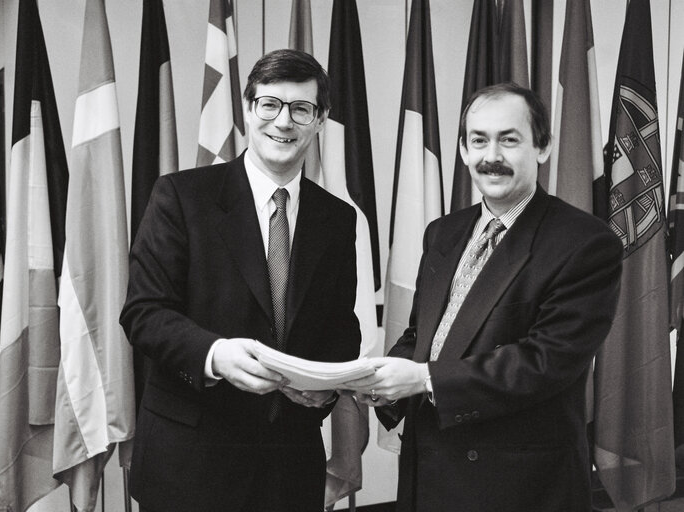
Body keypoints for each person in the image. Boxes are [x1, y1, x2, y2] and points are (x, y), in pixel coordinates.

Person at [345, 83, 623, 512]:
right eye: (479, 140)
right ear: (462, 150)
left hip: (516, 485)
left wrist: (421, 379)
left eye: (509, 139)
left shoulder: (585, 243)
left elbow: (546, 362)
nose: (491, 156)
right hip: (428, 470)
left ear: (543, 147)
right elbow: (425, 334)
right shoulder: (443, 232)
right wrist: (383, 385)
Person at [120, 49, 361, 512]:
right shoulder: (181, 197)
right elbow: (144, 313)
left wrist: (326, 385)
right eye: (270, 104)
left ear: (320, 120)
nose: (283, 122)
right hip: (189, 462)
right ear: (249, 109)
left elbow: (340, 324)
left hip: (289, 465)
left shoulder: (337, 218)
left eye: (301, 109)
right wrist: (215, 355)